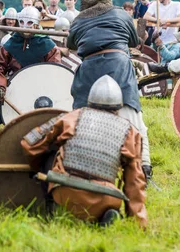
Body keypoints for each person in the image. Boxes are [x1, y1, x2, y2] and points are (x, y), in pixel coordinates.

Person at [21, 75, 147, 228]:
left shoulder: (72, 117)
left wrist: (36, 167)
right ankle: (104, 217)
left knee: (49, 151)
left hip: (64, 191)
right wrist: (138, 222)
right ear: (119, 106)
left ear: (90, 100)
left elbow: (30, 144)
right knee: (110, 202)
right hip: (105, 198)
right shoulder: (130, 132)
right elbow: (135, 181)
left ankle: (53, 208)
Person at [67, 0, 151, 179]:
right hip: (119, 67)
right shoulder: (122, 15)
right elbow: (134, 41)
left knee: (82, 118)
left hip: (91, 70)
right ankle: (144, 168)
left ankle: (79, 165)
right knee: (133, 119)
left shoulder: (78, 21)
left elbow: (71, 45)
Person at [0, 6, 62, 138]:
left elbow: (55, 71)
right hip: (15, 86)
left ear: (36, 24)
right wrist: (0, 84)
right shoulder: (12, 42)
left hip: (40, 90)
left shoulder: (48, 45)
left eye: (29, 23)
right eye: (22, 22)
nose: (25, 26)